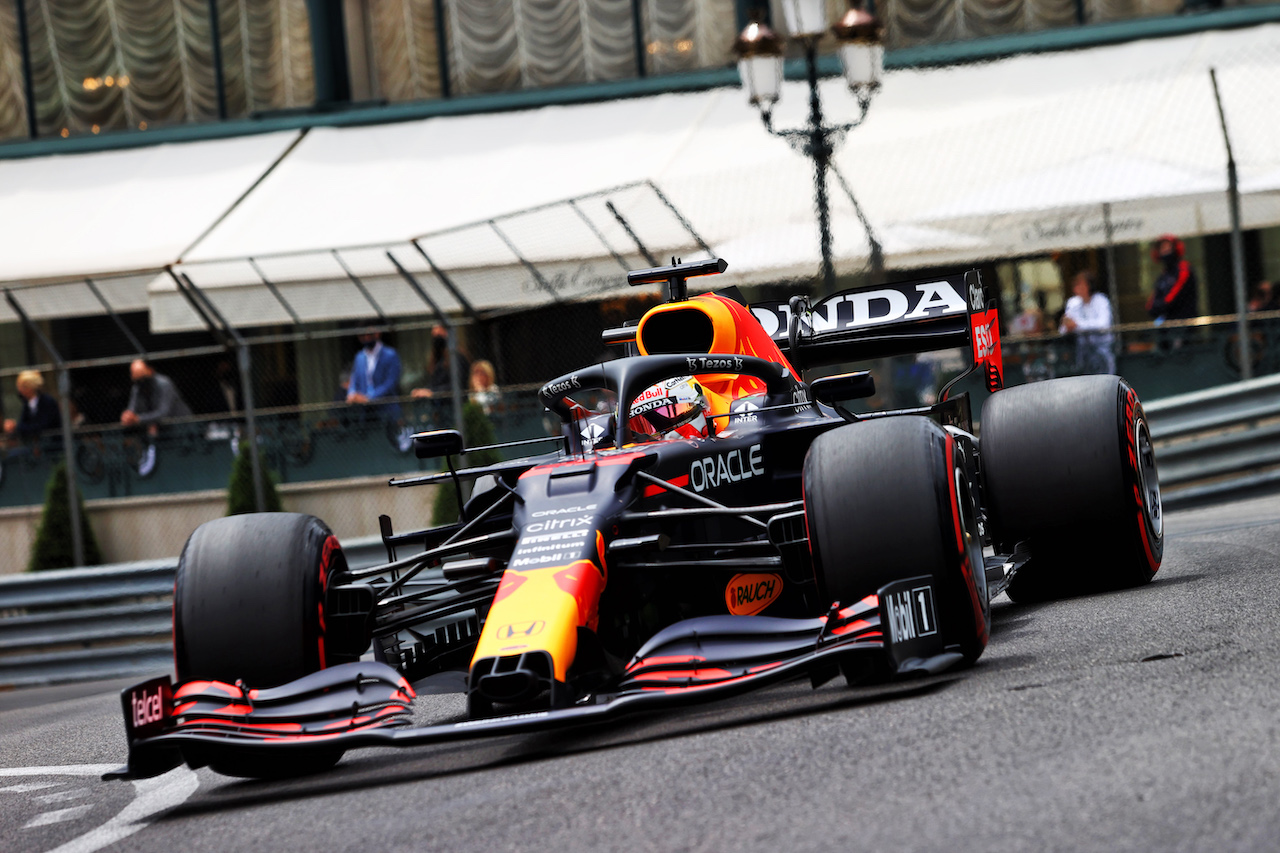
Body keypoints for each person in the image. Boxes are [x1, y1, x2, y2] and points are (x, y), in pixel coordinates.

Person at [121, 360, 193, 476]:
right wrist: (127, 416)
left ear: (150, 371)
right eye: (135, 376)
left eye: (142, 375)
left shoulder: (164, 383)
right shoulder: (137, 388)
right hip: (159, 433)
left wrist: (138, 419)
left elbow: (163, 412)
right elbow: (132, 410)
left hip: (181, 428)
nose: (139, 380)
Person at [1059, 271, 1115, 375]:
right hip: (1082, 351)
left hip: (1102, 348)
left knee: (1105, 379)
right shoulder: (1073, 303)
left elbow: (1104, 325)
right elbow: (1063, 330)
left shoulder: (1101, 300)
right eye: (1076, 285)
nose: (1077, 288)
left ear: (1089, 286)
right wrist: (1068, 325)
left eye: (1081, 285)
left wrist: (1078, 325)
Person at [346, 330, 402, 422]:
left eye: (369, 334)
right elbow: (354, 379)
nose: (366, 338)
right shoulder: (359, 357)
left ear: (377, 334)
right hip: (366, 413)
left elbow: (390, 382)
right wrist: (352, 395)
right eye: (363, 335)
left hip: (386, 411)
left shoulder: (390, 355)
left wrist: (369, 398)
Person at [1147, 235, 1199, 324]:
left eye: (1168, 247)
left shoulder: (1183, 269)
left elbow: (1173, 296)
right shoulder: (1164, 274)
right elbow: (1153, 300)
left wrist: (1162, 305)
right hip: (1166, 320)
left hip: (1184, 320)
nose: (1165, 251)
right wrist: (1154, 308)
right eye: (1162, 248)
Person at [3, 370, 62, 448]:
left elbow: (42, 426)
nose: (20, 391)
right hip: (35, 444)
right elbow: (23, 424)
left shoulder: (47, 402)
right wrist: (15, 427)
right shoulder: (28, 404)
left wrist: (17, 427)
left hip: (52, 443)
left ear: (30, 387)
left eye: (22, 387)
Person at [411, 325, 470, 401]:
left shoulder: (457, 357)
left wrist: (432, 392)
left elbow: (457, 384)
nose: (437, 341)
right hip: (441, 404)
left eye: (439, 336)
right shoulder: (438, 360)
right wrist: (423, 390)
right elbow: (435, 383)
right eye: (434, 336)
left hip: (454, 403)